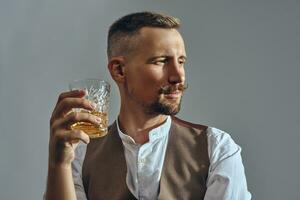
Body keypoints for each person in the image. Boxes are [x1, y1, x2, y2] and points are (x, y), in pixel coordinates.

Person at [45, 11, 251, 200]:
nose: (178, 76)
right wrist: (59, 164)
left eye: (181, 62)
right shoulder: (81, 154)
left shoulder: (217, 148)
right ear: (119, 71)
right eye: (161, 61)